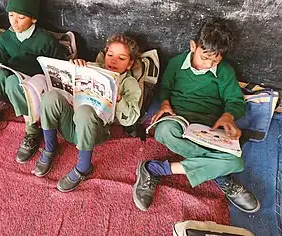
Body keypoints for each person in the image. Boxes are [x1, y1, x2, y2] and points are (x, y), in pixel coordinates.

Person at [132, 20, 260, 213]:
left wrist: (228, 116)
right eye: (204, 57)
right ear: (193, 46)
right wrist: (165, 102)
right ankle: (219, 173)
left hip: (209, 126)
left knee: (236, 161)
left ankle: (155, 169)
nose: (208, 65)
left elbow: (235, 101)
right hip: (178, 118)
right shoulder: (176, 63)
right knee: (164, 131)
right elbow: (165, 89)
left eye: (215, 61)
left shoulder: (225, 71)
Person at [34, 34, 142, 192]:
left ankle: (83, 167)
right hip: (70, 125)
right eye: (110, 55)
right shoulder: (93, 67)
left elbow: (130, 118)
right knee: (50, 96)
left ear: (130, 64)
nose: (113, 60)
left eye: (121, 58)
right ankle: (50, 147)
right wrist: (74, 68)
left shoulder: (129, 83)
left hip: (94, 132)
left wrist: (118, 97)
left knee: (85, 111)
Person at [0, 0, 67, 164]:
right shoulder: (6, 38)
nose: (15, 22)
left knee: (13, 82)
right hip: (13, 76)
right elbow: (4, 61)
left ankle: (31, 128)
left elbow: (58, 67)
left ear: (34, 19)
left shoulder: (44, 39)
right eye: (11, 15)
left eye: (21, 17)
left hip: (35, 81)